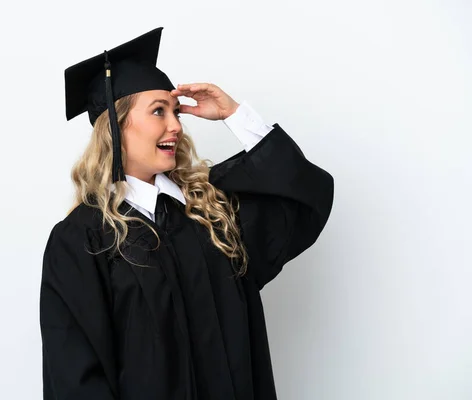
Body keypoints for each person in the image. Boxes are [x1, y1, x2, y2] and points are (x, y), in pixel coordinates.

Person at [40, 27, 334, 400]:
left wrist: (236, 115)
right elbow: (76, 377)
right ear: (115, 126)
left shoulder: (211, 210)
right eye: (158, 111)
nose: (176, 125)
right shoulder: (83, 239)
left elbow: (305, 196)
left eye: (176, 111)